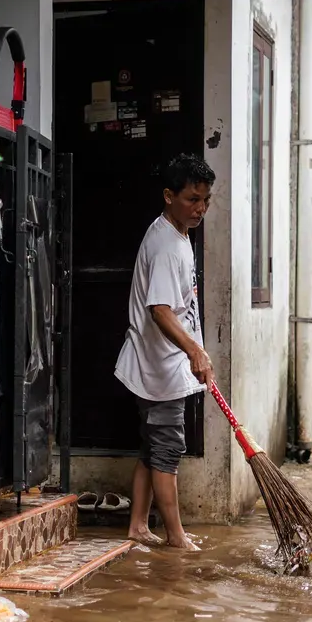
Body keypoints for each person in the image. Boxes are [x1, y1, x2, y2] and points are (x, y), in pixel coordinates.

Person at [113, 153, 215, 552]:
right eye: (192, 199)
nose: (200, 208)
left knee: (151, 448)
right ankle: (175, 536)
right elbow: (159, 311)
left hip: (160, 366)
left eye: (205, 199)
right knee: (168, 451)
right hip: (161, 370)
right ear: (169, 196)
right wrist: (195, 351)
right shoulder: (167, 246)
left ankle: (138, 525)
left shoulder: (173, 233)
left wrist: (194, 350)